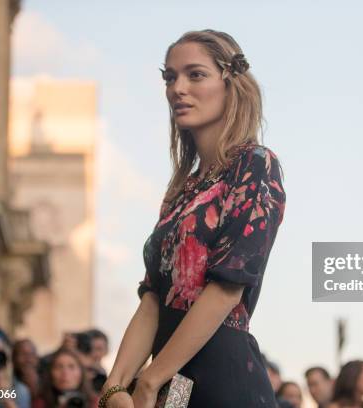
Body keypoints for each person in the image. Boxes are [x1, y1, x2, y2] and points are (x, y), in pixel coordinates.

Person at [100, 29, 286, 408]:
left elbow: (226, 289)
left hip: (223, 376)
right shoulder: (182, 190)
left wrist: (149, 382)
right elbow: (154, 295)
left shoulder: (255, 165)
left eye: (195, 74)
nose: (177, 88)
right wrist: (115, 387)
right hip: (175, 383)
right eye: (170, 77)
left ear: (230, 82)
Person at [32, 348, 98, 408]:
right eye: (59, 367)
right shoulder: (40, 403)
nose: (65, 372)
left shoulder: (95, 402)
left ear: (81, 372)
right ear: (50, 373)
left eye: (71, 367)